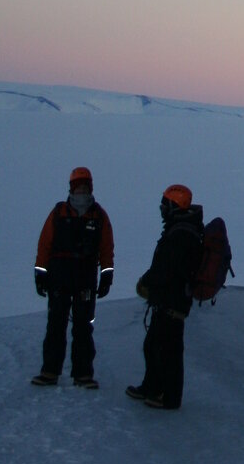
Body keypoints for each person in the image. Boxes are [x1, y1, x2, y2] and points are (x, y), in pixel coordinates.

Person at [32, 166, 115, 388]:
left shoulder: (99, 216)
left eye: (85, 185)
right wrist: (40, 273)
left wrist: (107, 274)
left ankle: (83, 374)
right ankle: (50, 372)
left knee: (83, 327)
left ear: (90, 187)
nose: (81, 189)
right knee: (55, 325)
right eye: (77, 185)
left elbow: (107, 248)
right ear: (71, 187)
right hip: (59, 278)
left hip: (85, 280)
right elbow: (45, 244)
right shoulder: (58, 213)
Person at [128, 183, 204, 410]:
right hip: (169, 300)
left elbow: (166, 268)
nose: (161, 208)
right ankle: (152, 388)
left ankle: (169, 397)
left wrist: (147, 282)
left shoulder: (181, 233)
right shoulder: (182, 230)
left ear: (174, 206)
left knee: (167, 350)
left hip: (173, 301)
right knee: (153, 346)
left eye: (165, 203)